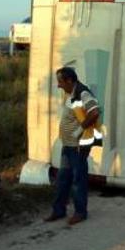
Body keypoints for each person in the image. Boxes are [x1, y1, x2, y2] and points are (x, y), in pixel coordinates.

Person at [44, 66, 101, 225]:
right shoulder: (71, 94)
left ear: (69, 80)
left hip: (77, 146)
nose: (58, 85)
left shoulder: (83, 93)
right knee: (63, 179)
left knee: (78, 179)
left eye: (60, 82)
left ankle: (80, 212)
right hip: (68, 145)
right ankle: (59, 210)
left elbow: (95, 112)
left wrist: (78, 131)